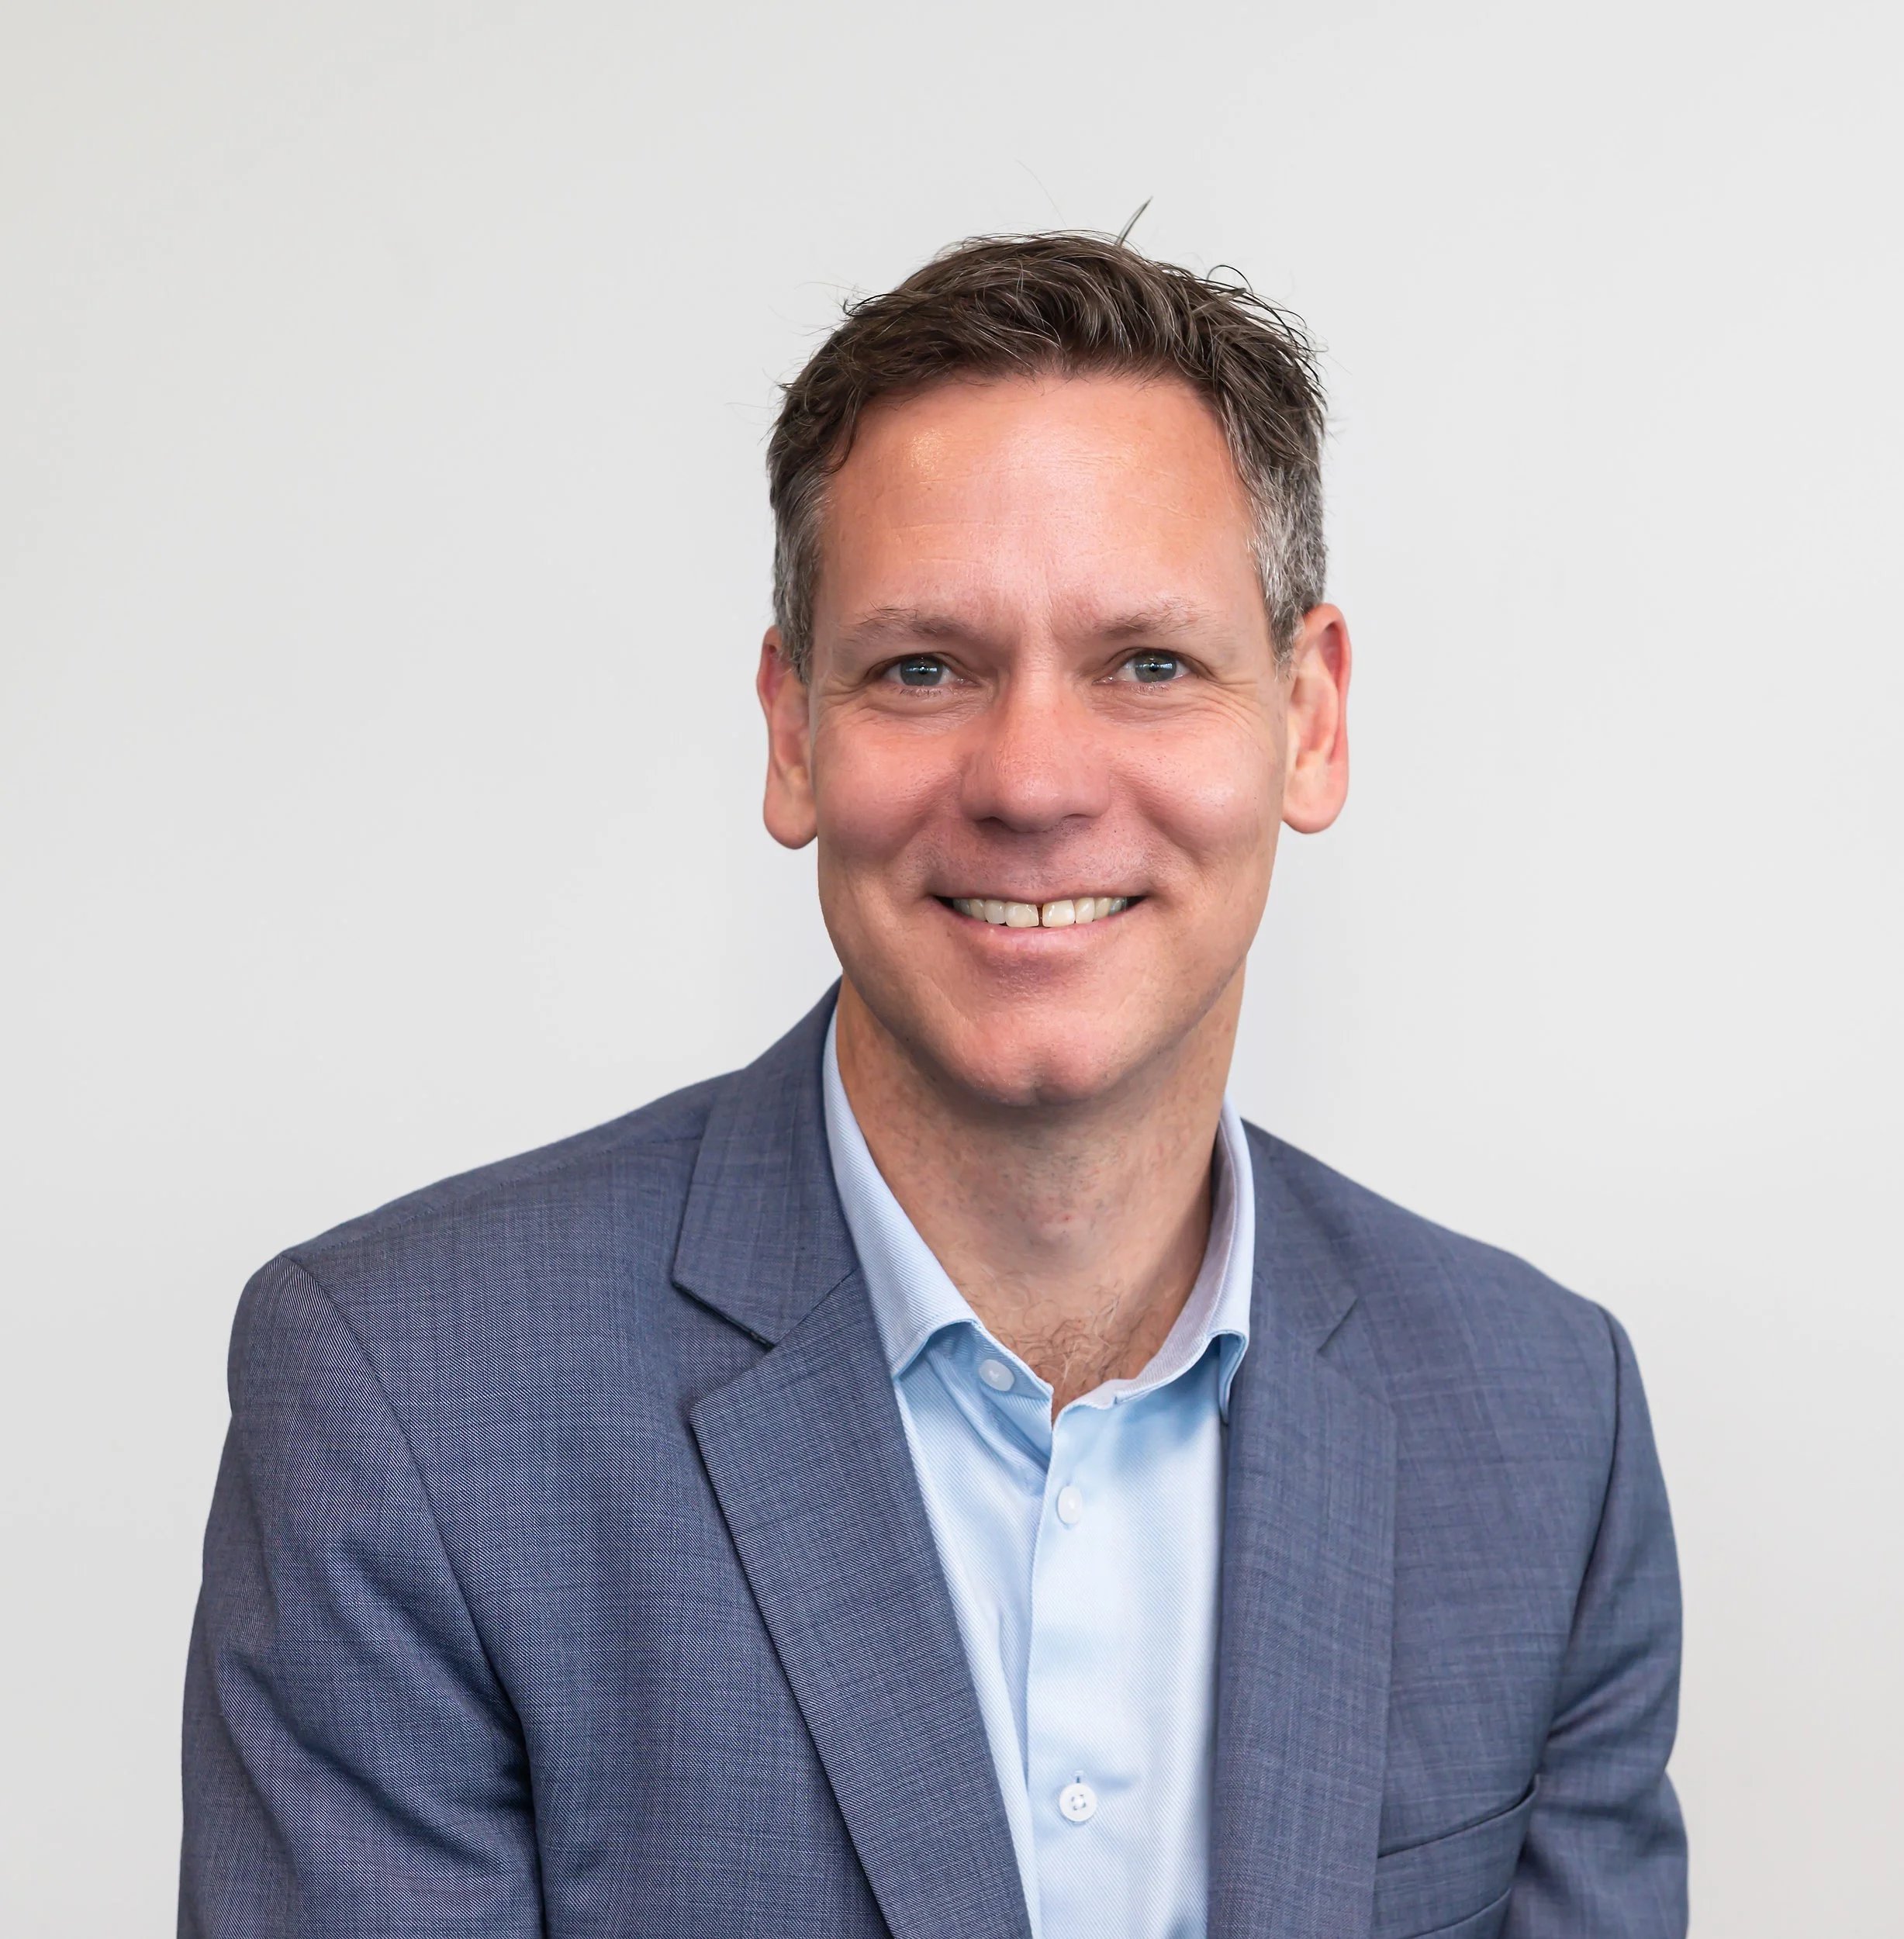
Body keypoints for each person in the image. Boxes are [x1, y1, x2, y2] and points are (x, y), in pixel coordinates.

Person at [180, 233, 1686, 1939]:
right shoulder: (406, 1411)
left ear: (1310, 717)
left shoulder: (1547, 1425)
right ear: (792, 730)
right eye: (921, 667)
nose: (1033, 777)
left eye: (1145, 662)